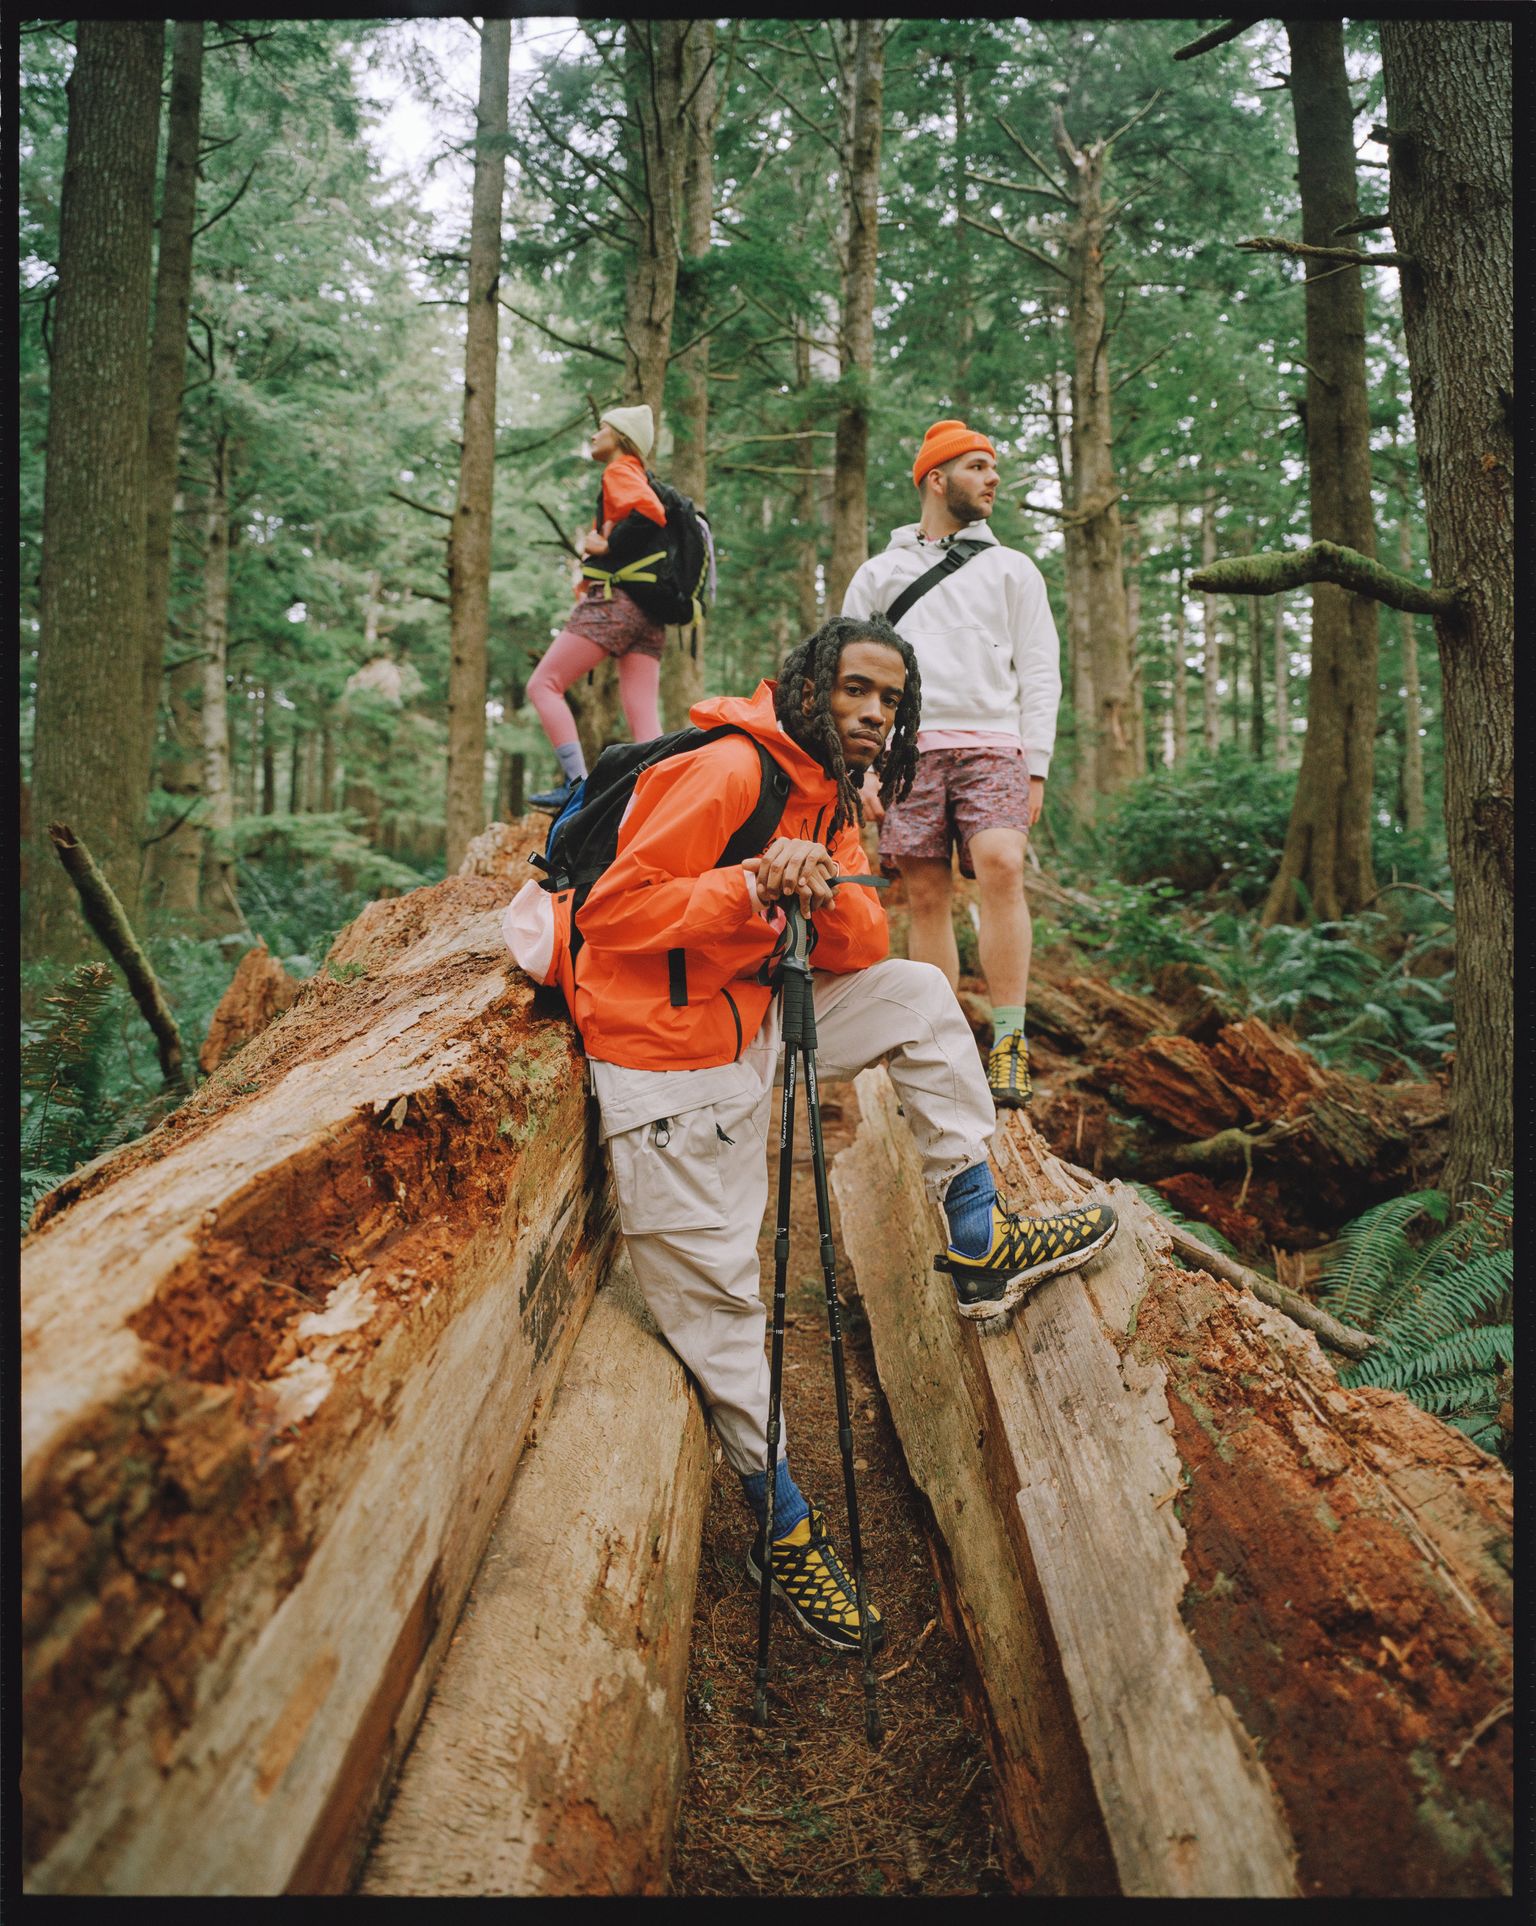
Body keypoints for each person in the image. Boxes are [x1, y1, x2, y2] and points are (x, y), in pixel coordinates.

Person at [570, 614, 1116, 1656]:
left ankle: (978, 1236)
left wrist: (823, 853)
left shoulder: (827, 788)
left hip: (750, 1019)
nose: (874, 713)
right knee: (728, 1303)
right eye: (857, 690)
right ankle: (778, 1525)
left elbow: (862, 941)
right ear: (811, 683)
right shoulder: (734, 769)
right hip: (665, 1061)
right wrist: (750, 879)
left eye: (891, 701)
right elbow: (612, 910)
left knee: (916, 991)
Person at [841, 419, 1061, 1109]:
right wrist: (860, 768)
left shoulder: (1012, 569)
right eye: (977, 467)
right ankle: (944, 1045)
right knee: (927, 894)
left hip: (995, 744)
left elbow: (1041, 667)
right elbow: (847, 670)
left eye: (993, 467)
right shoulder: (879, 574)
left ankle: (1010, 1043)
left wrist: (1037, 764)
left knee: (1001, 862)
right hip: (909, 750)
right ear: (936, 480)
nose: (992, 478)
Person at [527, 403, 667, 812]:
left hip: (615, 603)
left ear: (621, 439)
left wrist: (608, 545)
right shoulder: (640, 476)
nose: (593, 435)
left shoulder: (620, 470)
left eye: (602, 428)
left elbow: (649, 514)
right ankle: (656, 801)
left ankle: (576, 787)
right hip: (649, 613)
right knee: (643, 719)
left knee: (543, 685)